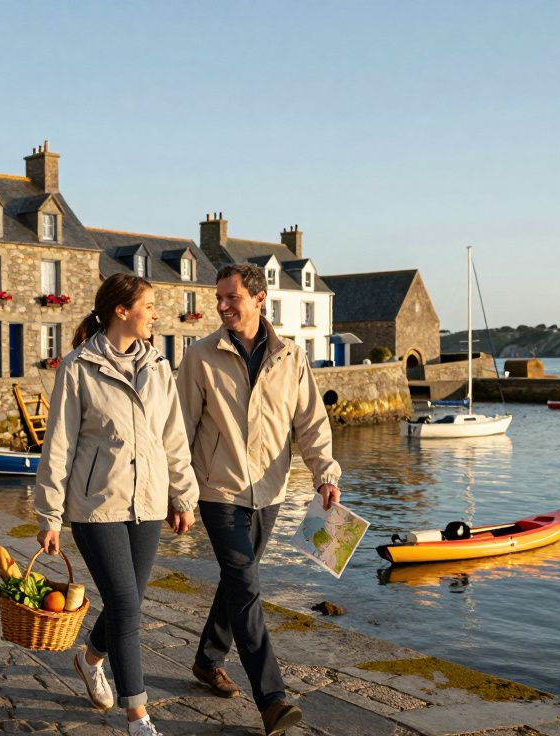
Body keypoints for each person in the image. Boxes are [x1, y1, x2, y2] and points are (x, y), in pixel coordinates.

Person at [177, 263, 341, 736]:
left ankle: (208, 660)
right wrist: (180, 494)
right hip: (217, 489)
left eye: (232, 298)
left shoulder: (291, 357)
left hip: (269, 491)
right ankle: (271, 698)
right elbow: (182, 429)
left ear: (259, 298)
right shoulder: (200, 356)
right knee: (246, 585)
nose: (223, 306)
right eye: (219, 298)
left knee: (238, 582)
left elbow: (310, 422)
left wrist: (325, 474)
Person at [35, 273, 199, 736]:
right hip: (95, 506)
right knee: (127, 604)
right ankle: (138, 716)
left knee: (127, 602)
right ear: (122, 311)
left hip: (148, 505)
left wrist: (181, 495)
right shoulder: (78, 367)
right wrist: (49, 515)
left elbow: (174, 438)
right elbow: (59, 445)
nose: (156, 314)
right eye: (150, 305)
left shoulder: (160, 367)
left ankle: (90, 659)